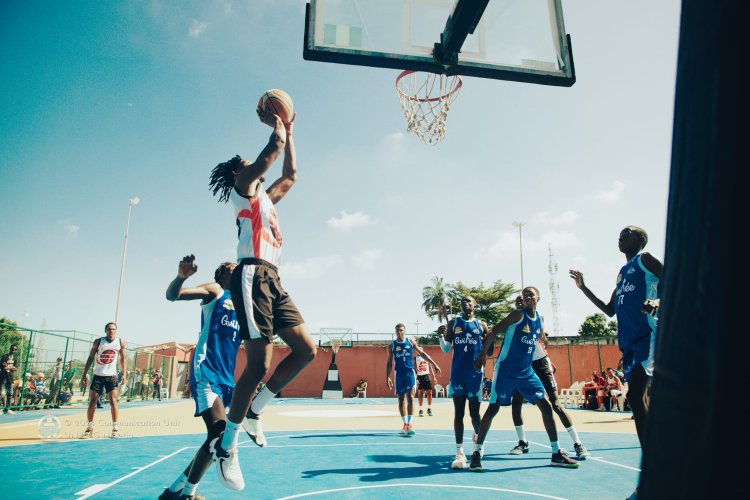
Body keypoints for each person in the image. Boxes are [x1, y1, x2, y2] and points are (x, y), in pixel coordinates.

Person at [207, 106, 317, 492]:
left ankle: (256, 408)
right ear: (238, 173)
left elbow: (291, 175)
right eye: (244, 162)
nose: (250, 163)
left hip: (273, 278)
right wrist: (280, 123)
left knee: (307, 350)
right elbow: (271, 149)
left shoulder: (265, 199)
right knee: (257, 366)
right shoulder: (242, 192)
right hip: (251, 274)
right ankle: (228, 445)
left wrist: (291, 134)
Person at [570, 226, 661, 500]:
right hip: (629, 342)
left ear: (640, 240)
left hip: (648, 334)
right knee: (638, 399)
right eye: (621, 234)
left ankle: (653, 474)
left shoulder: (645, 260)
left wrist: (657, 300)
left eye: (628, 234)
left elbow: (674, 280)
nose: (621, 237)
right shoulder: (622, 274)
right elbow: (610, 310)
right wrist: (583, 287)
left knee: (635, 394)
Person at [468, 286, 579, 471]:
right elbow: (494, 330)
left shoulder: (539, 321)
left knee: (546, 405)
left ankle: (556, 453)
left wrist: (546, 339)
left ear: (538, 298)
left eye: (531, 295)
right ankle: (477, 453)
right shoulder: (517, 316)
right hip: (505, 370)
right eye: (524, 295)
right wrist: (481, 355)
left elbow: (541, 335)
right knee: (493, 408)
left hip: (526, 371)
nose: (527, 297)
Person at [159, 255, 240, 500]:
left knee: (213, 440)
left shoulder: (242, 306)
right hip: (206, 371)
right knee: (220, 432)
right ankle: (187, 495)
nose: (237, 271)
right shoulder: (215, 291)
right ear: (222, 276)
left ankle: (173, 492)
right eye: (231, 269)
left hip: (226, 379)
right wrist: (181, 278)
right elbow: (173, 296)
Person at [509, 296, 590, 459]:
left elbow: (543, 337)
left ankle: (578, 444)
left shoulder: (536, 318)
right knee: (516, 402)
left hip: (540, 363)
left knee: (556, 404)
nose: (521, 304)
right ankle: (523, 442)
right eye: (518, 302)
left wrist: (541, 333)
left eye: (522, 301)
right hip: (523, 366)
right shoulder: (512, 322)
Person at [436, 296, 489, 470]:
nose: (465, 304)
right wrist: (441, 336)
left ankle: (477, 446)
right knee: (459, 414)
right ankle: (459, 452)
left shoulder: (481, 325)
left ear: (475, 305)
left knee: (475, 415)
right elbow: (445, 349)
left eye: (468, 301)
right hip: (458, 375)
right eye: (462, 302)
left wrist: (490, 337)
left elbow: (488, 352)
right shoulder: (454, 324)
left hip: (475, 376)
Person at [386, 323, 441, 436]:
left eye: (401, 330)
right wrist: (387, 377)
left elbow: (422, 354)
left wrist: (434, 364)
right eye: (397, 330)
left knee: (410, 397)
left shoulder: (410, 342)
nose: (399, 332)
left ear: (405, 331)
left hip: (410, 373)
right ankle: (405, 423)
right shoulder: (392, 345)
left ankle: (410, 424)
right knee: (401, 399)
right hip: (399, 374)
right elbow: (389, 363)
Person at [80, 322, 127, 439]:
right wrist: (84, 373)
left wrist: (124, 373)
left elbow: (123, 358)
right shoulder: (98, 342)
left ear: (116, 331)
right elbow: (91, 357)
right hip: (98, 375)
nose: (111, 331)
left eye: (113, 329)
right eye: (109, 329)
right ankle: (89, 429)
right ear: (105, 330)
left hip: (112, 376)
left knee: (113, 401)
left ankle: (115, 429)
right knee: (92, 402)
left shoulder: (120, 342)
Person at [1, 344, 18, 414]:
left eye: (15, 349)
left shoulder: (15, 358)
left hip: (10, 377)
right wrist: (11, 367)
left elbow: (16, 368)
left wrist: (8, 367)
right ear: (10, 349)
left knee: (10, 393)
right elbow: (3, 367)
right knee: (1, 393)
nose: (13, 350)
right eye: (12, 349)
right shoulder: (5, 356)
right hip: (3, 376)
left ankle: (7, 408)